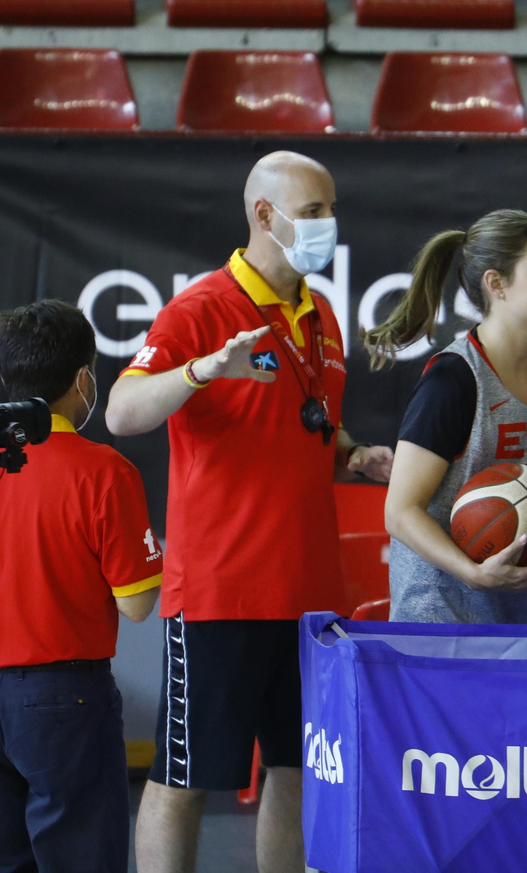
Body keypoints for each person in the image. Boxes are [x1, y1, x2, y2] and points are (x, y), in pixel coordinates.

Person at [105, 151, 393, 873]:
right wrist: (201, 370)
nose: (330, 225)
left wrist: (353, 455)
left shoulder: (321, 313)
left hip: (308, 598)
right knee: (184, 780)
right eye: (316, 211)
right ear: (264, 215)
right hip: (220, 595)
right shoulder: (202, 310)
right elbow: (121, 410)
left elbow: (305, 431)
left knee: (297, 773)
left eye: (333, 209)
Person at [0, 299, 163, 873]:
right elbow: (138, 603)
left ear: (6, 375)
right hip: (64, 700)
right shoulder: (105, 472)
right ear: (83, 378)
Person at [365, 209, 527, 625]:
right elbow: (400, 512)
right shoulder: (453, 379)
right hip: (444, 615)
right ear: (496, 284)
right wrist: (474, 574)